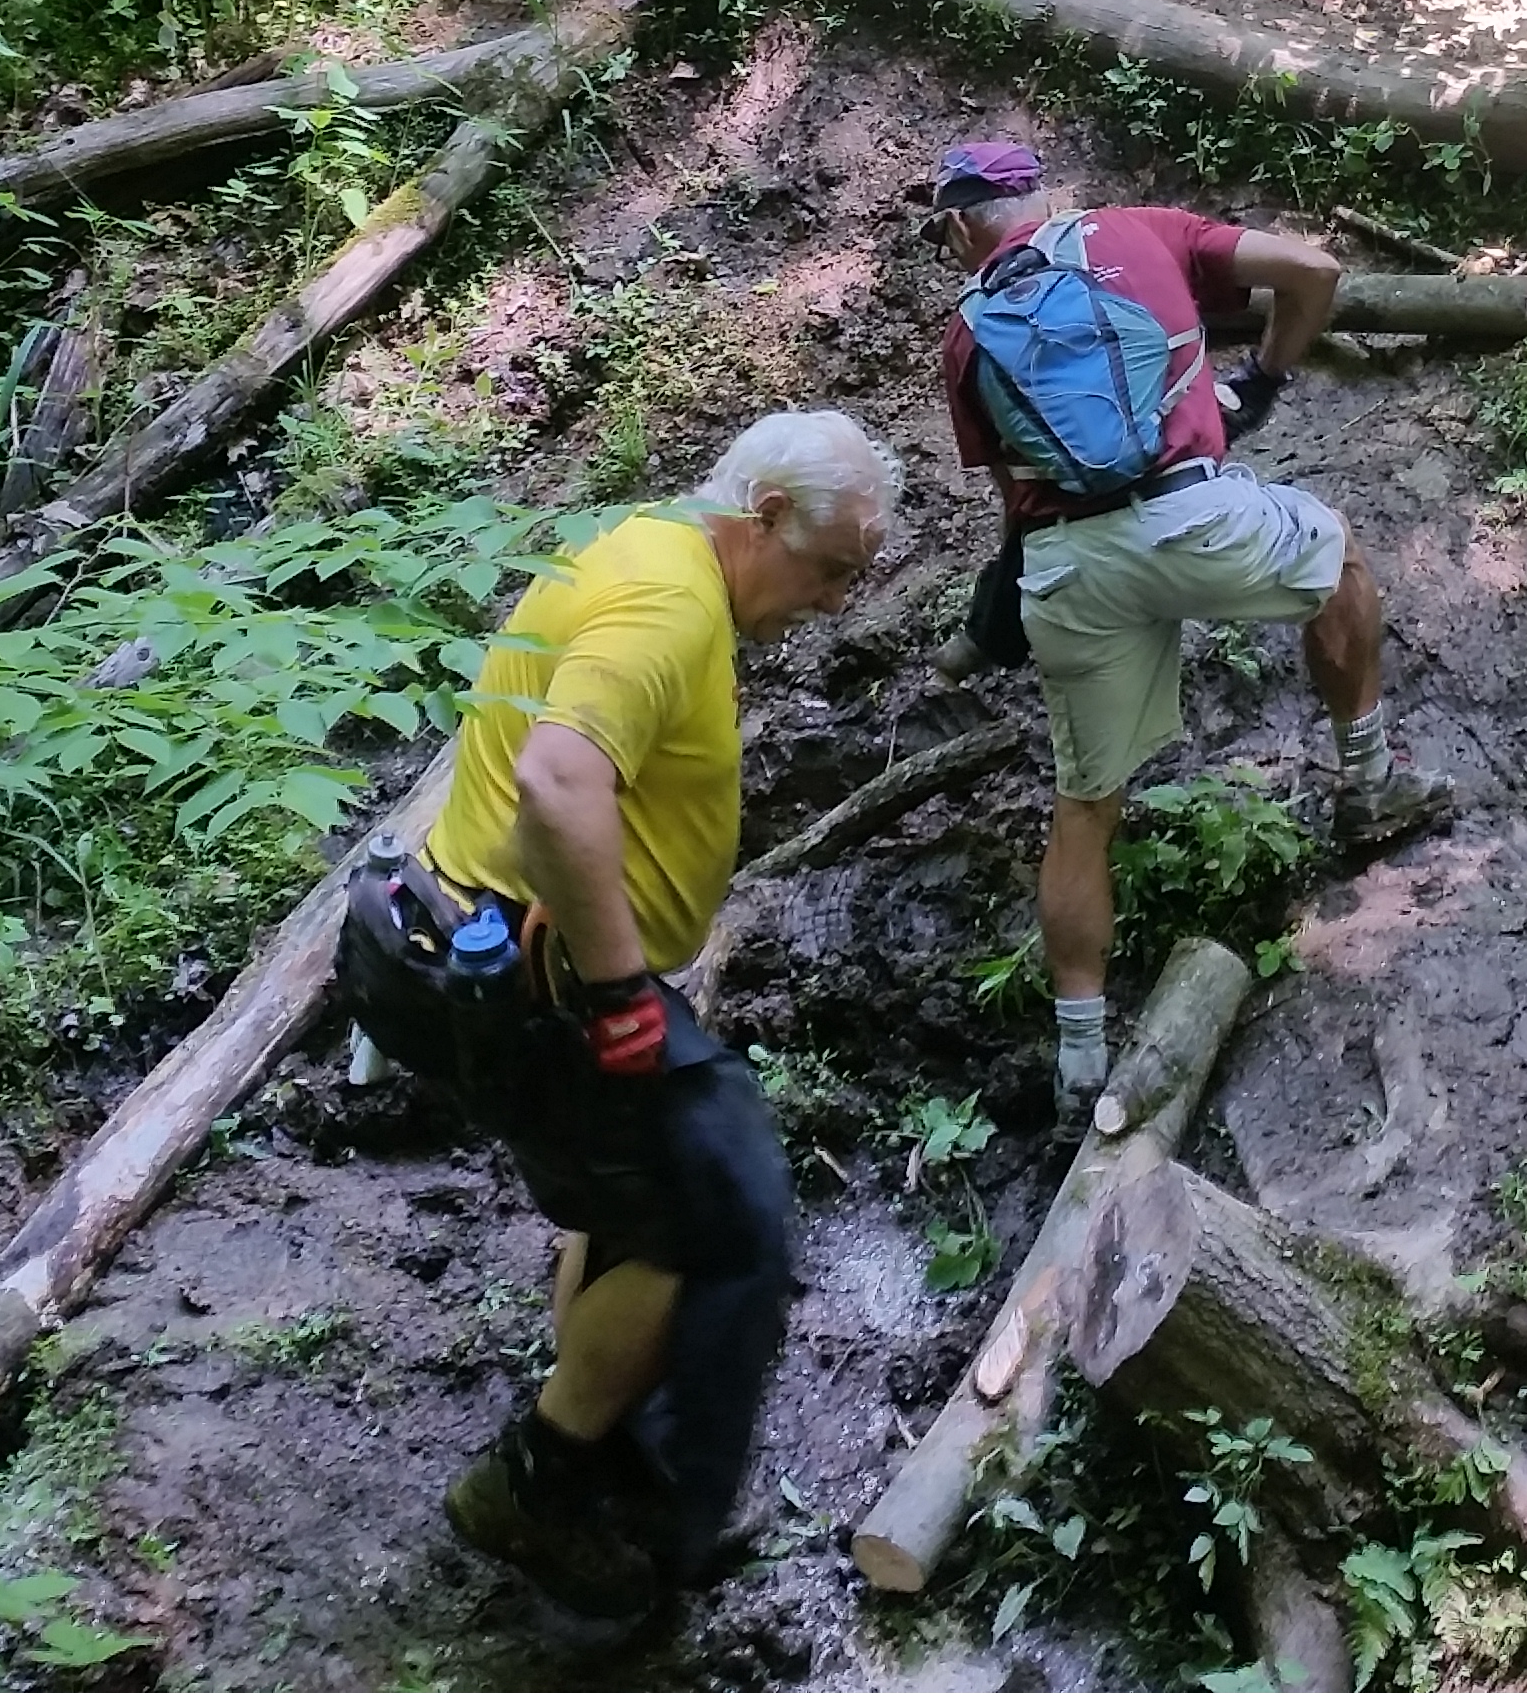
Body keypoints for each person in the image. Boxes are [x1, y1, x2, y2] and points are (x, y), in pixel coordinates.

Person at [338, 409, 902, 1617]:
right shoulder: (669, 600)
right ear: (761, 520)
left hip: (458, 947)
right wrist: (615, 994)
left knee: (634, 1196)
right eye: (832, 570)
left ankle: (598, 1454)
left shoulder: (644, 550)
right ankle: (540, 1489)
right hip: (512, 974)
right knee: (718, 1209)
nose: (837, 600)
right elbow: (555, 778)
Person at [915, 141, 1449, 1112]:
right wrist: (1263, 380)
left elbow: (1018, 498)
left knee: (1084, 805)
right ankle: (1368, 786)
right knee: (1337, 563)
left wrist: (993, 621)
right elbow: (1313, 271)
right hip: (1193, 515)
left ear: (959, 228)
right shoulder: (1134, 231)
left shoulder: (965, 335)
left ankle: (1079, 1060)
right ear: (1050, 200)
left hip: (1069, 569)